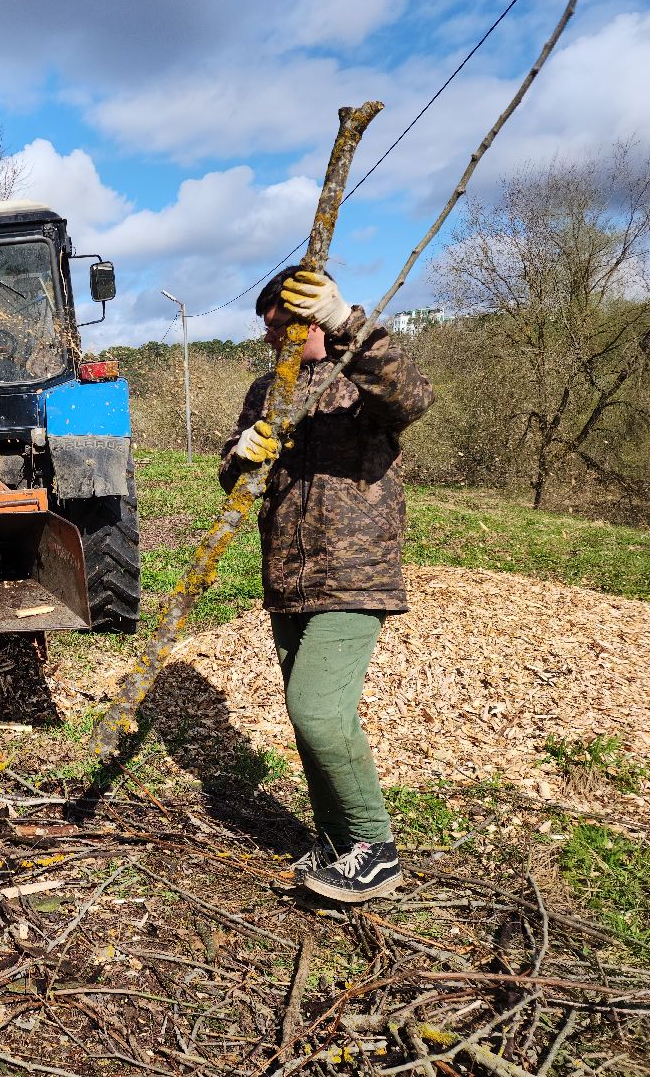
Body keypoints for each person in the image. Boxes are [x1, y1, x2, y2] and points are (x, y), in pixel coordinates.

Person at [220, 269, 433, 903]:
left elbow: (412, 396)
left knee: (317, 711)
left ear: (312, 319)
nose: (272, 342)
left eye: (281, 327)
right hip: (288, 574)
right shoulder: (268, 389)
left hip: (355, 572)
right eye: (266, 333)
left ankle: (376, 848)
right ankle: (340, 841)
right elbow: (234, 481)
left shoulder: (359, 376)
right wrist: (242, 455)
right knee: (309, 714)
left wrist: (348, 323)